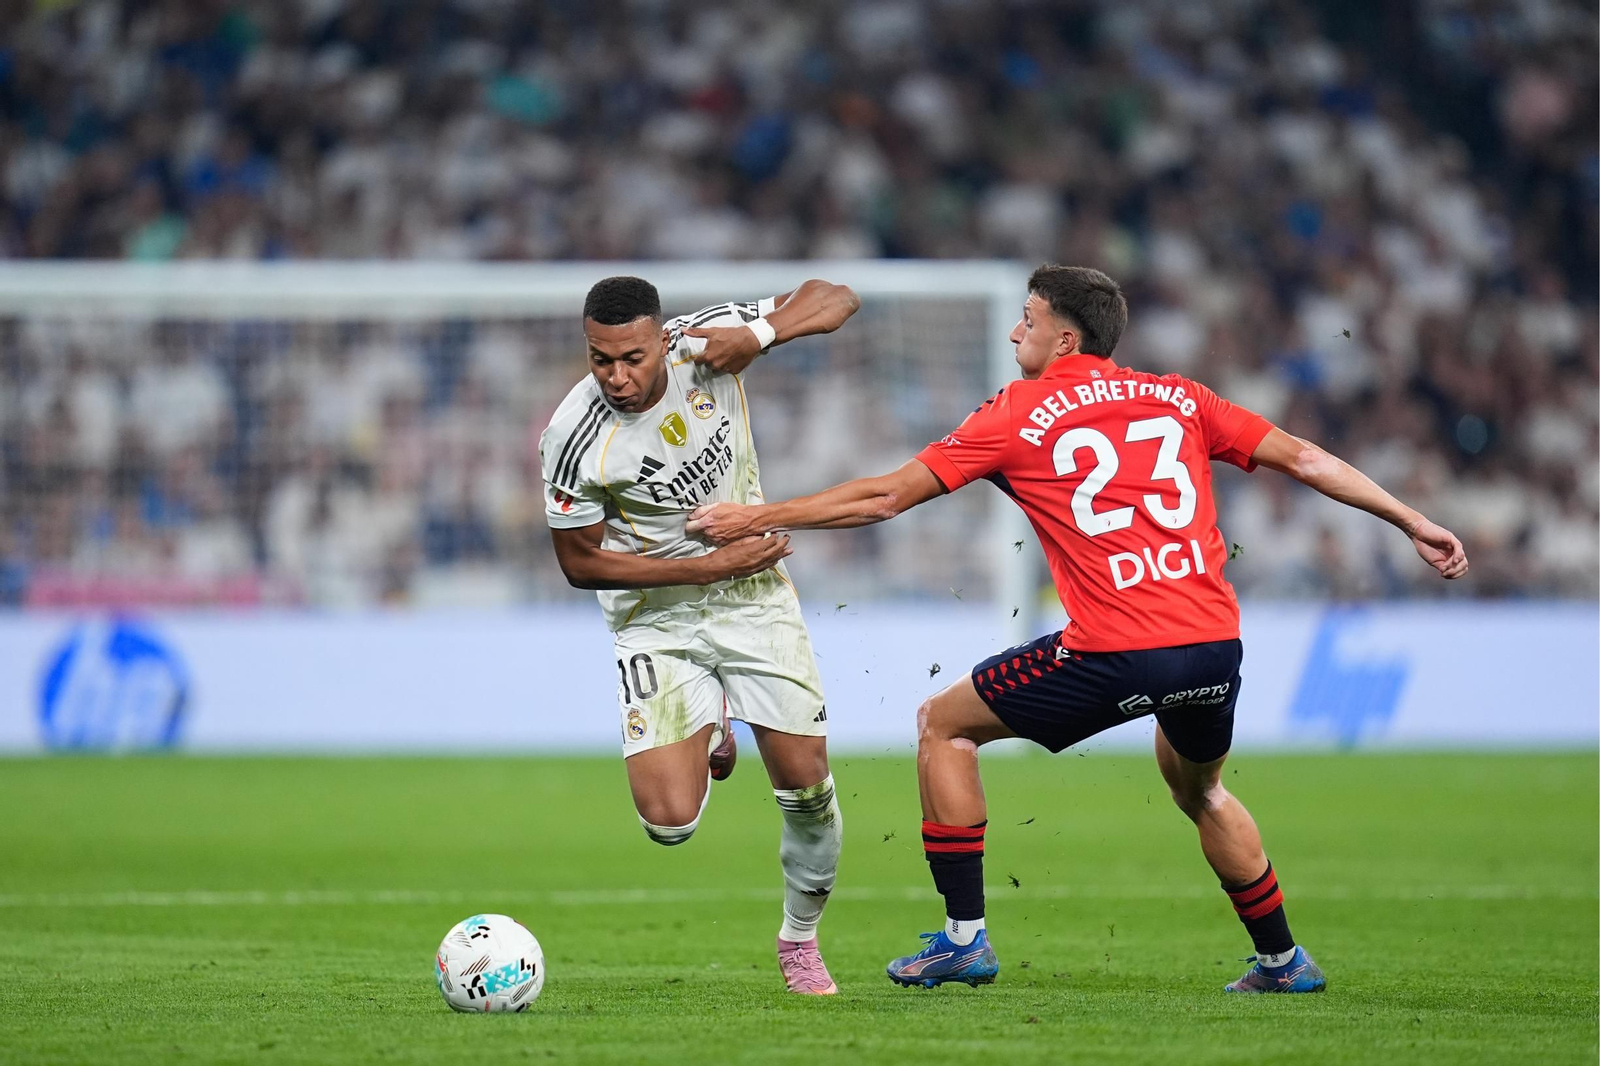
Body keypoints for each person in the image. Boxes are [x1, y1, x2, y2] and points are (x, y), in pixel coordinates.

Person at [686, 265, 1468, 994]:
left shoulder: (1016, 412)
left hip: (1118, 650)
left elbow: (886, 498)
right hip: (1212, 646)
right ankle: (1283, 959)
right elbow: (1305, 458)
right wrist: (1411, 518)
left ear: (1065, 338)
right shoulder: (1181, 398)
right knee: (1201, 789)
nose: (1012, 333)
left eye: (1025, 321)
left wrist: (759, 514)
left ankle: (964, 938)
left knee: (944, 726)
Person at [539, 275, 860, 995]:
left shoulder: (705, 342)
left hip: (753, 597)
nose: (617, 377)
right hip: (658, 616)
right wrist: (710, 563)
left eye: (632, 357)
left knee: (807, 785)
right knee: (669, 823)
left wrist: (762, 334)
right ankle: (715, 717)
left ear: (662, 339)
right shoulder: (572, 439)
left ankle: (800, 940)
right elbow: (579, 562)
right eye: (600, 360)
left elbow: (836, 296)